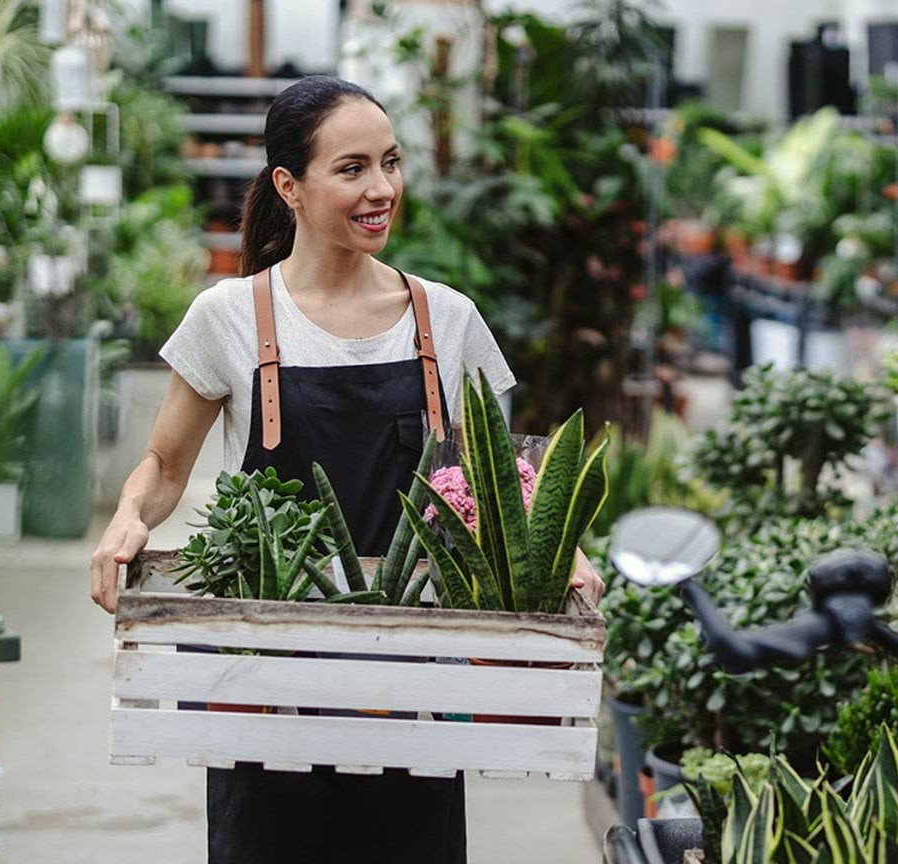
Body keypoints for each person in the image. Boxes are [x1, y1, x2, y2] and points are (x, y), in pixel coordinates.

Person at [88, 75, 605, 863]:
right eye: (353, 168)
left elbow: (496, 487)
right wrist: (128, 518)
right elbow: (163, 463)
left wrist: (558, 548)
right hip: (264, 679)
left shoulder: (447, 320)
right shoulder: (228, 317)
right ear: (289, 186)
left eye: (391, 163)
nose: (382, 189)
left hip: (412, 681)